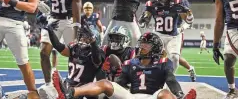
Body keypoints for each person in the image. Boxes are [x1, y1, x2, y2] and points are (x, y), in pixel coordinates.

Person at [52, 32, 197, 99]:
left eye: (146, 45)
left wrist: (178, 94)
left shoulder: (163, 63)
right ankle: (69, 92)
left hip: (152, 97)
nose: (141, 48)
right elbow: (120, 84)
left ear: (156, 48)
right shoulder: (130, 63)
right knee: (104, 83)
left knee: (165, 94)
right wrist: (110, 74)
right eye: (140, 44)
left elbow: (171, 80)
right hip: (131, 97)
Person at [39, 0, 84, 91]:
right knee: (43, 52)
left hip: (70, 20)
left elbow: (77, 8)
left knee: (74, 54)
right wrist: (39, 4)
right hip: (53, 18)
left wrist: (77, 30)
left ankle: (73, 82)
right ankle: (48, 85)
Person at [138, 0, 194, 73]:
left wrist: (189, 15)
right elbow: (143, 24)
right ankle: (146, 76)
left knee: (175, 57)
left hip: (173, 35)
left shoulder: (178, 2)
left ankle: (170, 77)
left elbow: (189, 21)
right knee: (147, 56)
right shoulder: (151, 3)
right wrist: (143, 19)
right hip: (158, 35)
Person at [39, 21, 105, 99]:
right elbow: (59, 47)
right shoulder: (75, 48)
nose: (82, 39)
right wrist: (50, 32)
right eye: (81, 37)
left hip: (82, 90)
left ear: (94, 39)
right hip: (68, 85)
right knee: (46, 90)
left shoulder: (97, 53)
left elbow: (97, 59)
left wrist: (93, 42)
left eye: (86, 38)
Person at [211, 0, 238, 98]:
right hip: (232, 29)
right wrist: (215, 45)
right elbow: (219, 20)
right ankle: (232, 90)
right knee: (228, 59)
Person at [173, 0, 196, 82]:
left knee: (175, 57)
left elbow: (187, 20)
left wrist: (182, 28)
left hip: (176, 31)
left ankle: (190, 68)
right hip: (163, 32)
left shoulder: (181, 2)